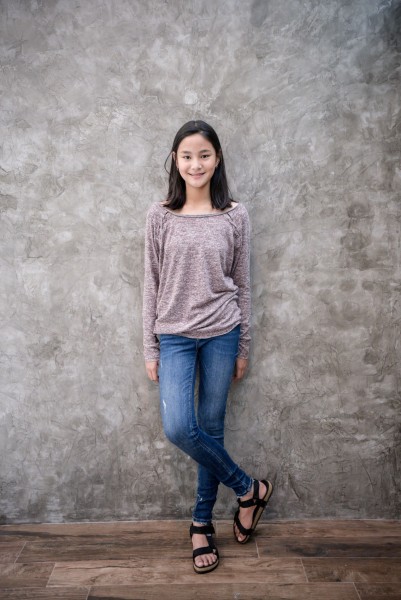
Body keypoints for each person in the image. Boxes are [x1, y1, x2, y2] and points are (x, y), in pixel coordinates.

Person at [143, 120, 273, 574]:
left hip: (222, 332)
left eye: (204, 155)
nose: (195, 164)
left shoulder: (235, 215)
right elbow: (150, 283)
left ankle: (201, 524)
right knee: (180, 427)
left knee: (211, 428)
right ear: (175, 161)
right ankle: (248, 488)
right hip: (174, 336)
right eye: (186, 156)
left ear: (217, 160)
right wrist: (150, 347)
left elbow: (243, 284)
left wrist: (244, 345)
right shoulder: (160, 215)